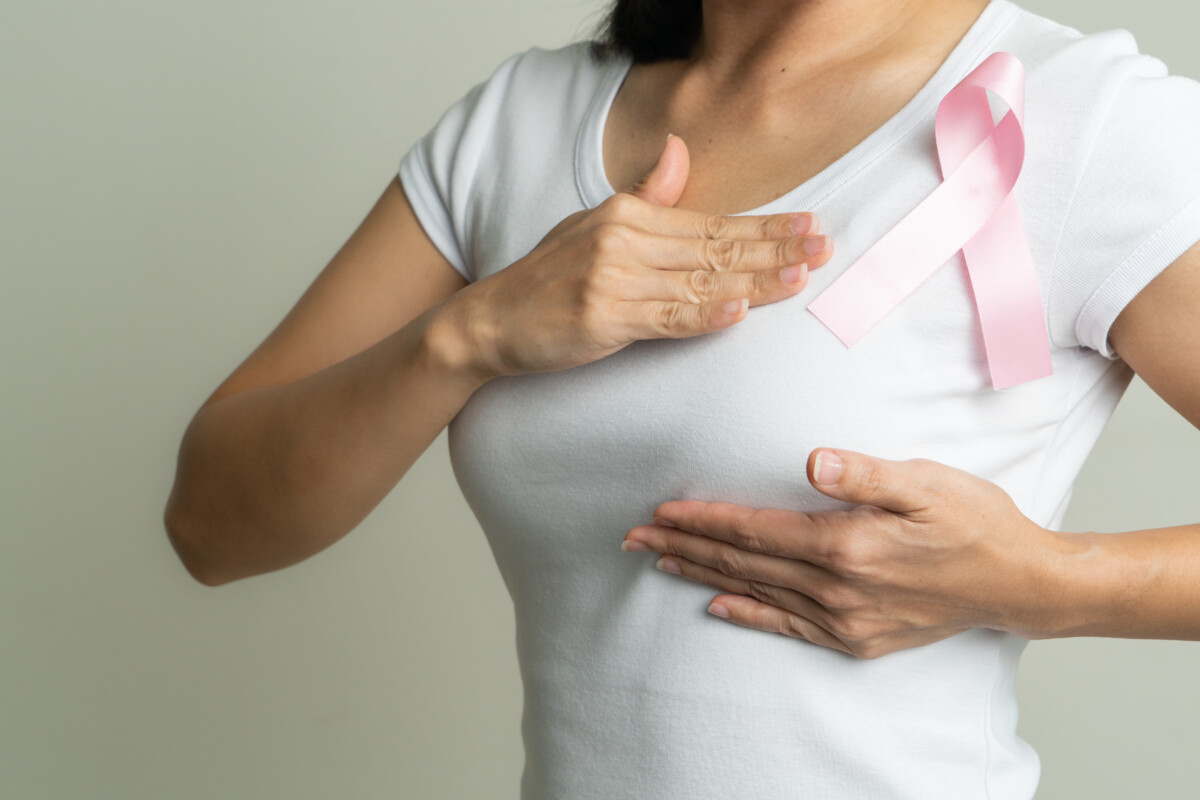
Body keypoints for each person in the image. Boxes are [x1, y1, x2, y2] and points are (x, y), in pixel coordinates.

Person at [162, 0, 1200, 796]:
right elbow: (213, 523)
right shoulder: (523, 121)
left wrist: (1047, 582)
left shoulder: (1077, 116)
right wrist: (471, 333)